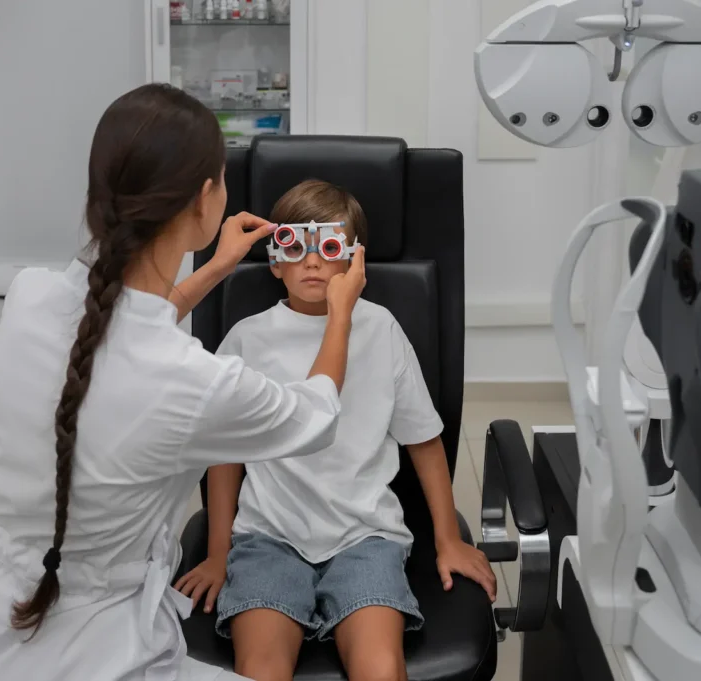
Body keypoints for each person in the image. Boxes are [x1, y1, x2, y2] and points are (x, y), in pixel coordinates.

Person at [0, 85, 366, 681]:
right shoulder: (195, 384)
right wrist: (341, 314)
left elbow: (121, 330)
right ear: (206, 200)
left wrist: (213, 270)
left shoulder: (29, 297)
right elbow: (318, 416)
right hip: (97, 652)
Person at [176, 180, 496, 681]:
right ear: (274, 261)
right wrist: (219, 552)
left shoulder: (381, 328)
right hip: (269, 536)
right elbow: (225, 455)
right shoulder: (248, 338)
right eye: (294, 246)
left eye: (327, 247)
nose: (311, 261)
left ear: (353, 260)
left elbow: (423, 439)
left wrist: (448, 537)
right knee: (260, 668)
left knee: (381, 667)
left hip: (364, 534)